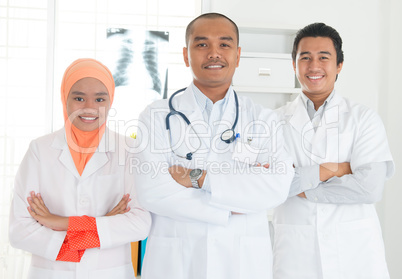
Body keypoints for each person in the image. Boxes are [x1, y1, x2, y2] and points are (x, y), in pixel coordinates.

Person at [133, 13, 294, 279]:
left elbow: (276, 187)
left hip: (241, 260)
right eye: (202, 44)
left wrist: (200, 179)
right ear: (186, 55)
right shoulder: (156, 116)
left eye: (224, 44)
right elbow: (153, 192)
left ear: (238, 55)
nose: (214, 53)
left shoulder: (264, 119)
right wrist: (232, 205)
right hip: (176, 260)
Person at [9, 58, 151, 279]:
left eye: (99, 99)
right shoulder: (40, 150)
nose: (89, 107)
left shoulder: (129, 150)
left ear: (111, 101)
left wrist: (60, 223)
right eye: (78, 98)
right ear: (64, 98)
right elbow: (19, 230)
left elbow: (140, 223)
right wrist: (103, 225)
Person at [272, 23, 395, 279]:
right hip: (296, 254)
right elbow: (272, 185)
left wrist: (301, 184)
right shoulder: (272, 123)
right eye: (305, 58)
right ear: (293, 65)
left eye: (323, 58)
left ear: (339, 65)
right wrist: (333, 169)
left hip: (355, 254)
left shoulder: (363, 119)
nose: (313, 66)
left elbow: (369, 188)